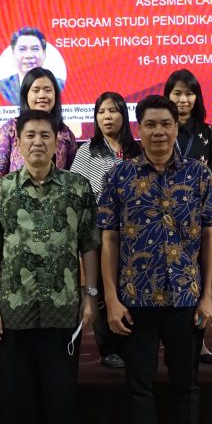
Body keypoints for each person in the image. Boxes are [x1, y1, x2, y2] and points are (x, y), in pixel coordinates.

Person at [98, 95, 212, 424]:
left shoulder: (198, 174)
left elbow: (209, 236)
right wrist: (111, 299)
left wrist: (208, 296)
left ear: (176, 126)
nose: (158, 132)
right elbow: (109, 239)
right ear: (139, 128)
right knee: (139, 385)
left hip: (186, 298)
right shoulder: (119, 175)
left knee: (187, 384)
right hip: (135, 300)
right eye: (150, 124)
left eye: (165, 124)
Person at [0, 109, 100, 424]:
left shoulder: (77, 188)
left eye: (45, 135)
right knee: (16, 398)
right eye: (29, 135)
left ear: (57, 141)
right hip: (13, 312)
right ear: (18, 141)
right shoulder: (1, 191)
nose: (37, 142)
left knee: (63, 395)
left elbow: (89, 246)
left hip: (63, 309)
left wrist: (90, 294)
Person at [68, 92, 140, 369]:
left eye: (113, 111)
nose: (107, 117)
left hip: (133, 233)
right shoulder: (87, 150)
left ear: (123, 114)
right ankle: (108, 347)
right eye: (101, 112)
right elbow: (77, 191)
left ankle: (131, 342)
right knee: (98, 287)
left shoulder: (137, 151)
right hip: (97, 230)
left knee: (129, 285)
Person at [164, 69, 212, 365]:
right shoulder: (160, 131)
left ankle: (201, 343)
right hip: (163, 222)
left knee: (205, 280)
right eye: (177, 93)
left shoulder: (211, 134)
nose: (183, 99)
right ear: (167, 96)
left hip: (200, 220)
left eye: (189, 93)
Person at [0, 67, 77, 181]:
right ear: (26, 95)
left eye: (47, 90)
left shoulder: (66, 134)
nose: (42, 95)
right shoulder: (10, 129)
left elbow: (73, 178)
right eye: (35, 90)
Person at [0, 27, 67, 105]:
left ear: (44, 53)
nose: (29, 55)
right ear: (13, 53)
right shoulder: (3, 86)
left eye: (35, 49)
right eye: (22, 49)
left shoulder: (59, 85)